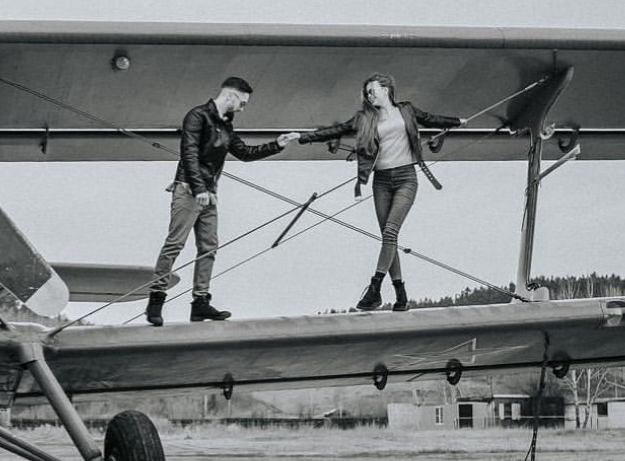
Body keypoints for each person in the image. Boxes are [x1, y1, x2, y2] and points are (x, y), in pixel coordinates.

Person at [297, 73, 464, 312]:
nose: (369, 94)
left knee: (390, 231)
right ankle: (401, 296)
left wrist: (457, 121)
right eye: (366, 92)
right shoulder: (365, 118)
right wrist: (302, 137)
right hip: (381, 181)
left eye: (372, 90)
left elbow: (431, 119)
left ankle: (374, 288)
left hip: (406, 178)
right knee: (389, 237)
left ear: (386, 89)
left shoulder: (406, 110)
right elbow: (336, 130)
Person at [147, 77, 299, 326]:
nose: (242, 109)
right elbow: (189, 154)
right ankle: (156, 300)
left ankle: (200, 303)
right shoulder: (197, 116)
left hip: (209, 194)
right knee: (175, 243)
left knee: (209, 246)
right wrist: (198, 188)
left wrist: (277, 145)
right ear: (230, 96)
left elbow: (245, 153)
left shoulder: (226, 126)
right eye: (242, 103)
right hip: (188, 189)